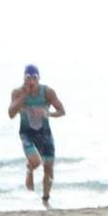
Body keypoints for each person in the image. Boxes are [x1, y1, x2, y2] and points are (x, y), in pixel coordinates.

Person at [6, 64, 67, 207]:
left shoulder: (47, 92)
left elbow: (62, 111)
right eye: (28, 78)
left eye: (34, 78)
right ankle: (29, 169)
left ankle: (45, 200)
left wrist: (48, 113)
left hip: (45, 133)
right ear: (24, 79)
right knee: (36, 161)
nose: (31, 81)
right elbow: (11, 114)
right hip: (27, 133)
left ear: (39, 78)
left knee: (49, 168)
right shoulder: (17, 92)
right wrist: (24, 95)